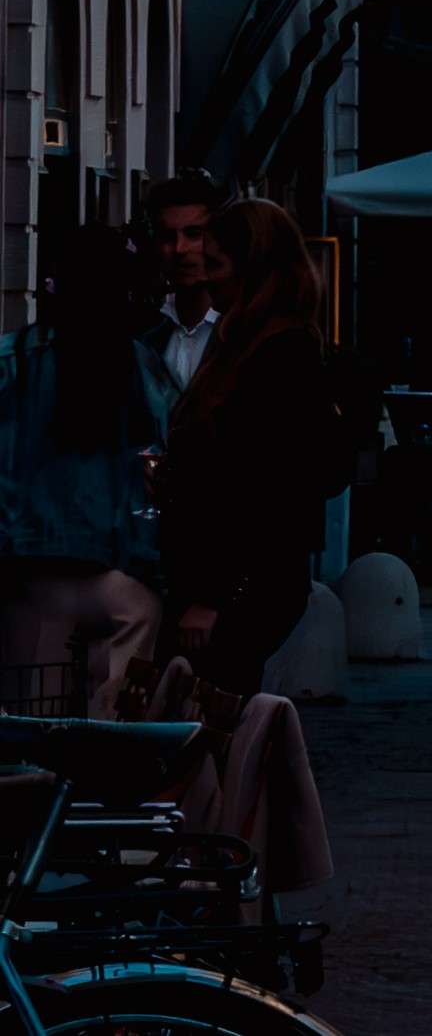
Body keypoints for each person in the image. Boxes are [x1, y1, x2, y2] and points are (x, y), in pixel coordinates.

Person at [158, 198, 349, 695]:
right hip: (234, 575)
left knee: (213, 711)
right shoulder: (248, 342)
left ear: (253, 269)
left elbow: (261, 487)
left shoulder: (278, 353)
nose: (207, 277)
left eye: (217, 264)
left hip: (241, 581)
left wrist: (212, 596)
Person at [0, 225, 175, 712]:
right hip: (119, 571)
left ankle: (39, 781)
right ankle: (109, 763)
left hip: (28, 570)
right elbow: (167, 465)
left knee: (32, 713)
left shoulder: (13, 360)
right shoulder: (141, 364)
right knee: (116, 714)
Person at [147, 168, 224, 398]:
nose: (180, 249)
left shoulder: (243, 332)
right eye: (168, 237)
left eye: (194, 234)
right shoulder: (146, 334)